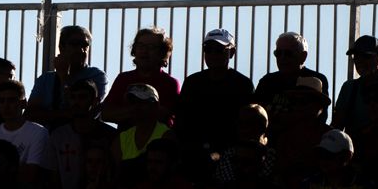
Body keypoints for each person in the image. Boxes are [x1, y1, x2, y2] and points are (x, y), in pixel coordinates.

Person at [173, 29, 253, 162]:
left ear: (232, 52)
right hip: (194, 152)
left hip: (231, 154)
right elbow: (182, 121)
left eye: (219, 50)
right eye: (208, 49)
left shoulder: (242, 85)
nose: (213, 54)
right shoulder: (192, 82)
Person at [0, 79, 53, 189]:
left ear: (23, 103)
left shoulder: (38, 132)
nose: (6, 106)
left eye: (12, 100)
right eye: (1, 101)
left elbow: (32, 175)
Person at [27, 25, 108, 128]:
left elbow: (88, 112)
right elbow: (30, 115)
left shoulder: (97, 76)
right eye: (74, 44)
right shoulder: (46, 79)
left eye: (85, 45)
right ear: (61, 48)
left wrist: (63, 77)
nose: (81, 50)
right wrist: (64, 114)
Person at [102, 27, 180, 128]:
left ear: (162, 53)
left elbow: (168, 115)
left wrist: (128, 112)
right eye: (140, 46)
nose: (144, 51)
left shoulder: (170, 83)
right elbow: (106, 114)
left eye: (151, 47)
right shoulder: (124, 79)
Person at [253, 32, 329, 115]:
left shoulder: (316, 81)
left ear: (303, 56)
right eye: (278, 53)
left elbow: (320, 116)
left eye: (288, 53)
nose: (282, 57)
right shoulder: (267, 81)